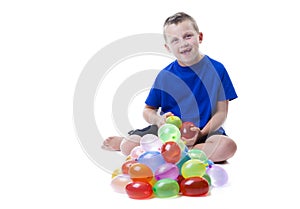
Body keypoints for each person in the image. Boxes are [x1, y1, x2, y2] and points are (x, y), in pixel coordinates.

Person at [102, 12, 237, 163]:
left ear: (199, 37)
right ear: (168, 47)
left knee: (228, 147)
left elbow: (221, 112)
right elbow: (148, 110)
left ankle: (171, 151)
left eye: (188, 36)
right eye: (175, 40)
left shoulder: (218, 69)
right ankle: (180, 151)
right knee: (127, 146)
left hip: (204, 131)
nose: (183, 44)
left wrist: (201, 133)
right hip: (167, 132)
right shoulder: (165, 76)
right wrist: (158, 120)